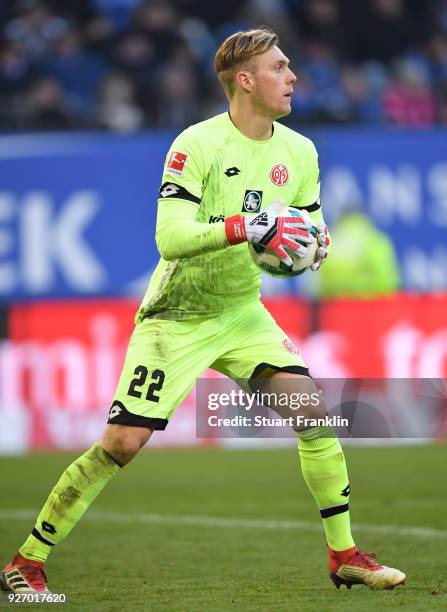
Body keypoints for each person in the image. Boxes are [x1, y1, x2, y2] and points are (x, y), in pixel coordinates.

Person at [1, 27, 405, 595]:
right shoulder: (197, 144)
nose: (293, 77)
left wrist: (313, 243)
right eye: (280, 67)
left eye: (290, 66)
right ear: (246, 80)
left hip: (242, 312)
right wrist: (248, 226)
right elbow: (170, 237)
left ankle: (344, 555)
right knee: (121, 444)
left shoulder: (301, 151)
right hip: (175, 317)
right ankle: (27, 561)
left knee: (314, 415)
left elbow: (306, 224)